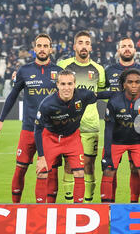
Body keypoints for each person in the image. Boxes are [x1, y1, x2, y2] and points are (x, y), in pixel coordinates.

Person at [0, 33, 62, 203]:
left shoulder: (59, 72)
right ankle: (15, 208)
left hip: (51, 132)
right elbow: (12, 96)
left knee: (50, 171)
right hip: (29, 129)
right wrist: (1, 120)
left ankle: (48, 211)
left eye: (46, 46)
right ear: (34, 49)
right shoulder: (24, 71)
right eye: (39, 46)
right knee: (20, 168)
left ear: (51, 49)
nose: (42, 49)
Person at [34, 70, 100, 203]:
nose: (66, 87)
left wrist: (124, 93)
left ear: (75, 84)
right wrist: (41, 157)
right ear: (57, 85)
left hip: (72, 138)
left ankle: (78, 210)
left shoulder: (83, 95)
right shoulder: (47, 104)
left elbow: (101, 95)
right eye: (63, 84)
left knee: (80, 173)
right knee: (42, 172)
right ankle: (39, 210)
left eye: (70, 83)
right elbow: (37, 130)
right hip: (51, 138)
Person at [57, 30, 106, 203]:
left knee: (88, 166)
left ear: (91, 47)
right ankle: (69, 205)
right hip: (68, 125)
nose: (83, 46)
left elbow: (99, 93)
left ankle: (88, 204)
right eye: (80, 42)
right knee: (69, 166)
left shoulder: (98, 69)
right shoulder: (63, 65)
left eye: (87, 43)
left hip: (90, 125)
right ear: (74, 46)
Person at [104, 37, 140, 202]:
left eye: (130, 46)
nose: (126, 49)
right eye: (123, 46)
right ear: (118, 50)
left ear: (135, 50)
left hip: (138, 129)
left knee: (137, 168)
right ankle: (109, 206)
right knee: (110, 168)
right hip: (118, 127)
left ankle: (135, 203)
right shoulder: (109, 71)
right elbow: (104, 92)